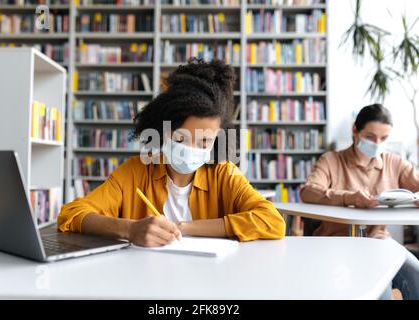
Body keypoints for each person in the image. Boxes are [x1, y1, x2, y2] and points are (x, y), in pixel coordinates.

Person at [58, 58, 285, 248]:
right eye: (181, 139)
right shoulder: (135, 172)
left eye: (204, 142)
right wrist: (130, 229)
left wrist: (185, 227)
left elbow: (273, 221)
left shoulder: (224, 174)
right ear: (163, 131)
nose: (192, 150)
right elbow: (71, 214)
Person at [301, 103, 419, 300]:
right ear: (355, 130)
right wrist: (349, 197)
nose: (377, 143)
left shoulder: (393, 162)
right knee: (380, 291)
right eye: (371, 137)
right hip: (336, 246)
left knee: (416, 277)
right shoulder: (331, 160)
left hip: (379, 244)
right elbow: (308, 192)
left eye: (384, 138)